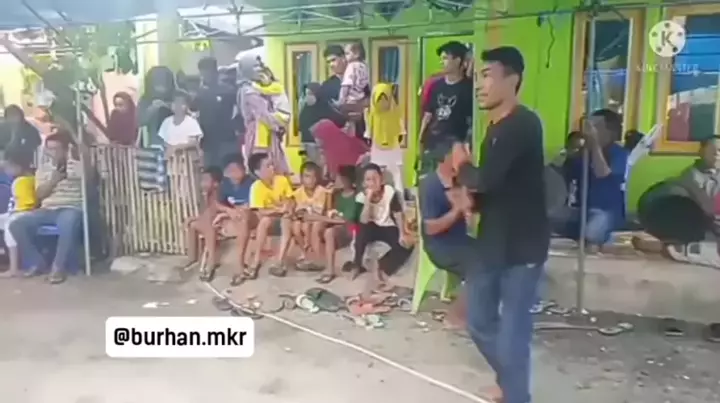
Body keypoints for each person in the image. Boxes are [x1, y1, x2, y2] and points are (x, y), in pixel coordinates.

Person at [452, 46, 549, 403]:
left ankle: (516, 395)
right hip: (492, 242)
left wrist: (462, 166)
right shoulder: (493, 128)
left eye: (487, 75)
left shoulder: (523, 124)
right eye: (479, 77)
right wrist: (471, 200)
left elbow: (486, 179)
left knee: (512, 337)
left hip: (523, 247)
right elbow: (495, 188)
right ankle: (509, 382)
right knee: (478, 322)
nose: (480, 85)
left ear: (513, 79)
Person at [9, 132, 87, 284]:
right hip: (47, 210)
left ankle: (58, 268)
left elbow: (90, 180)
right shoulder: (44, 169)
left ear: (66, 149)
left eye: (56, 149)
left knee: (68, 223)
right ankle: (36, 262)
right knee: (16, 224)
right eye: (49, 149)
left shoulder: (78, 166)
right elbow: (39, 195)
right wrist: (53, 180)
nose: (52, 153)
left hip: (70, 207)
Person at [419, 138, 475, 329]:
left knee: (496, 254)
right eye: (460, 154)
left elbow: (470, 215)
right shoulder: (430, 185)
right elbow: (430, 228)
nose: (465, 158)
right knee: (480, 266)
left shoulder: (458, 182)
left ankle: (483, 310)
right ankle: (455, 317)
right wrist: (457, 210)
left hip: (461, 241)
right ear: (446, 158)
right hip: (440, 247)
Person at [554, 109, 629, 251]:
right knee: (546, 216)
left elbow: (603, 173)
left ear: (610, 132)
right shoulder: (582, 153)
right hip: (580, 211)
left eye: (596, 126)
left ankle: (591, 239)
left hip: (606, 212)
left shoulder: (619, 154)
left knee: (593, 231)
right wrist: (569, 153)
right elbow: (560, 175)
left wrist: (594, 145)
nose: (589, 131)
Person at [345, 164, 413, 287]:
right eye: (368, 179)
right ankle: (356, 265)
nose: (372, 182)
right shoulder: (361, 197)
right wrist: (368, 199)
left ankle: (383, 267)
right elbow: (363, 220)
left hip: (388, 226)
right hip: (370, 226)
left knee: (406, 245)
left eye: (375, 178)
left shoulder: (389, 192)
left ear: (381, 180)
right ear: (364, 183)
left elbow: (398, 213)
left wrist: (402, 233)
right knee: (361, 230)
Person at [420, 41, 474, 172]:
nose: (441, 62)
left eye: (445, 58)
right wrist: (420, 140)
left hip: (454, 146)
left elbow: (471, 120)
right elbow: (428, 115)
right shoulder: (436, 86)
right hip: (433, 144)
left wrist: (467, 144)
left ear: (457, 60)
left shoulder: (468, 88)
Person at [242, 152, 294, 282]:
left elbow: (290, 199)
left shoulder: (281, 180)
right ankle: (256, 260)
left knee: (286, 221)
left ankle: (280, 261)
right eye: (268, 166)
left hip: (285, 216)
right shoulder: (256, 187)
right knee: (264, 221)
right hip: (270, 218)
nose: (272, 167)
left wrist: (287, 208)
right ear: (258, 172)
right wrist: (278, 209)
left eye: (272, 164)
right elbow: (261, 212)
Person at [236, 55, 290, 174]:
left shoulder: (259, 87)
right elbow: (262, 114)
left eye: (260, 66)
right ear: (247, 69)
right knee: (264, 169)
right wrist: (279, 125)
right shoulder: (248, 91)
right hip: (258, 135)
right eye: (255, 66)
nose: (259, 69)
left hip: (267, 131)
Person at [282, 161, 329, 272]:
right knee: (296, 227)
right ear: (301, 178)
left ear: (317, 178)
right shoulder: (298, 193)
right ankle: (306, 253)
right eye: (307, 177)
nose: (310, 180)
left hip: (318, 219)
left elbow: (318, 212)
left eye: (313, 177)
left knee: (309, 226)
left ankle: (316, 257)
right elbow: (296, 210)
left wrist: (305, 213)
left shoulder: (321, 191)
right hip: (304, 220)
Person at [214, 154, 255, 277]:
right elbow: (217, 204)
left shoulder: (251, 182)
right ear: (226, 172)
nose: (235, 173)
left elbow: (252, 205)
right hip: (236, 217)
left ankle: (239, 263)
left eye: (238, 169)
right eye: (231, 170)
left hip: (253, 215)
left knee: (243, 218)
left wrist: (231, 212)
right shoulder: (224, 185)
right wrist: (228, 211)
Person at [317, 165, 359, 284]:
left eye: (339, 178)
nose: (336, 180)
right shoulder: (337, 195)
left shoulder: (355, 196)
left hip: (351, 229)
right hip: (337, 227)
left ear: (347, 180)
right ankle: (316, 261)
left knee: (329, 232)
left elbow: (346, 220)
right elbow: (329, 212)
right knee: (318, 226)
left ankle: (330, 270)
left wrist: (327, 218)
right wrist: (328, 194)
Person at [196, 57, 239, 168]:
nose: (205, 76)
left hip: (226, 139)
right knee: (210, 169)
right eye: (202, 73)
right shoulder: (200, 92)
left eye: (207, 73)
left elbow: (238, 111)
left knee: (227, 168)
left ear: (215, 71)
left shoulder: (228, 90)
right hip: (207, 140)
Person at [321, 45, 371, 141]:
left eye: (333, 60)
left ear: (344, 58)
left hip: (360, 134)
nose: (331, 65)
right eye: (328, 62)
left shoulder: (359, 80)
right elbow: (326, 112)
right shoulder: (327, 86)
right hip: (337, 136)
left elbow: (368, 102)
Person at [0, 149, 36, 278]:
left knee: (9, 226)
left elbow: (27, 204)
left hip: (23, 212)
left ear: (18, 167)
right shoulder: (27, 178)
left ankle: (13, 268)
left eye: (8, 168)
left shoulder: (22, 181)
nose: (6, 171)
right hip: (19, 211)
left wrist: (12, 214)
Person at [184, 166, 224, 281]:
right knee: (192, 225)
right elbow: (206, 214)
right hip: (211, 221)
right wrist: (193, 218)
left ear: (215, 184)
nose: (203, 183)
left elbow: (218, 210)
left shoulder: (219, 193)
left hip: (222, 221)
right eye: (203, 180)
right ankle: (193, 257)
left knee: (209, 228)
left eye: (206, 180)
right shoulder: (207, 195)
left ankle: (211, 262)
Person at [298, 82, 346, 168]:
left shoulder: (326, 107)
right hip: (307, 145)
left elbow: (340, 120)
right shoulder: (305, 109)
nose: (307, 96)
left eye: (310, 93)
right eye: (306, 94)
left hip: (322, 146)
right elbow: (301, 127)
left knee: (321, 168)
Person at [367, 82, 405, 190]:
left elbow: (400, 129)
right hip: (377, 147)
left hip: (393, 146)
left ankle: (398, 194)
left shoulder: (395, 112)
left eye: (385, 99)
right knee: (377, 171)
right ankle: (376, 192)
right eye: (380, 100)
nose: (383, 103)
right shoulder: (372, 114)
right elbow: (369, 131)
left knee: (396, 172)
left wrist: (396, 139)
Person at [137, 66, 175, 146]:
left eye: (163, 84)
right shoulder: (146, 99)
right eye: (158, 84)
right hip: (156, 143)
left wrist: (170, 107)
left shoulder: (177, 97)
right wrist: (152, 108)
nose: (160, 88)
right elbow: (140, 121)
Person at [157, 90, 203, 158]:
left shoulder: (191, 122)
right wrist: (169, 148)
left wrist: (176, 147)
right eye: (175, 103)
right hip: (169, 158)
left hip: (186, 159)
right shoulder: (166, 122)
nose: (178, 106)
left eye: (181, 103)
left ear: (187, 106)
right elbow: (163, 141)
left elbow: (193, 142)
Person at [336, 41, 370, 115]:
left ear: (356, 54)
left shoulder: (351, 66)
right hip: (362, 99)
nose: (345, 56)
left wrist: (341, 101)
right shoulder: (364, 66)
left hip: (351, 101)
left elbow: (346, 84)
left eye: (347, 53)